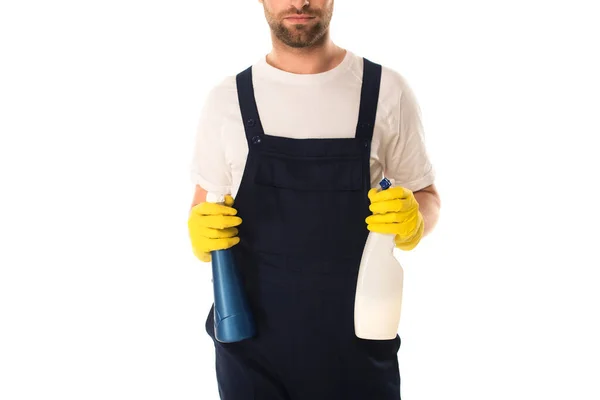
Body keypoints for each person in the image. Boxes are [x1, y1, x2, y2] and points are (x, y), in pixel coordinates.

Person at [187, 1, 441, 398]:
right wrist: (200, 231)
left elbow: (427, 195)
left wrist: (416, 219)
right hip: (250, 351)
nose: (299, 1)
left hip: (360, 348)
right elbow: (205, 204)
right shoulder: (226, 100)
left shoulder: (386, 90)